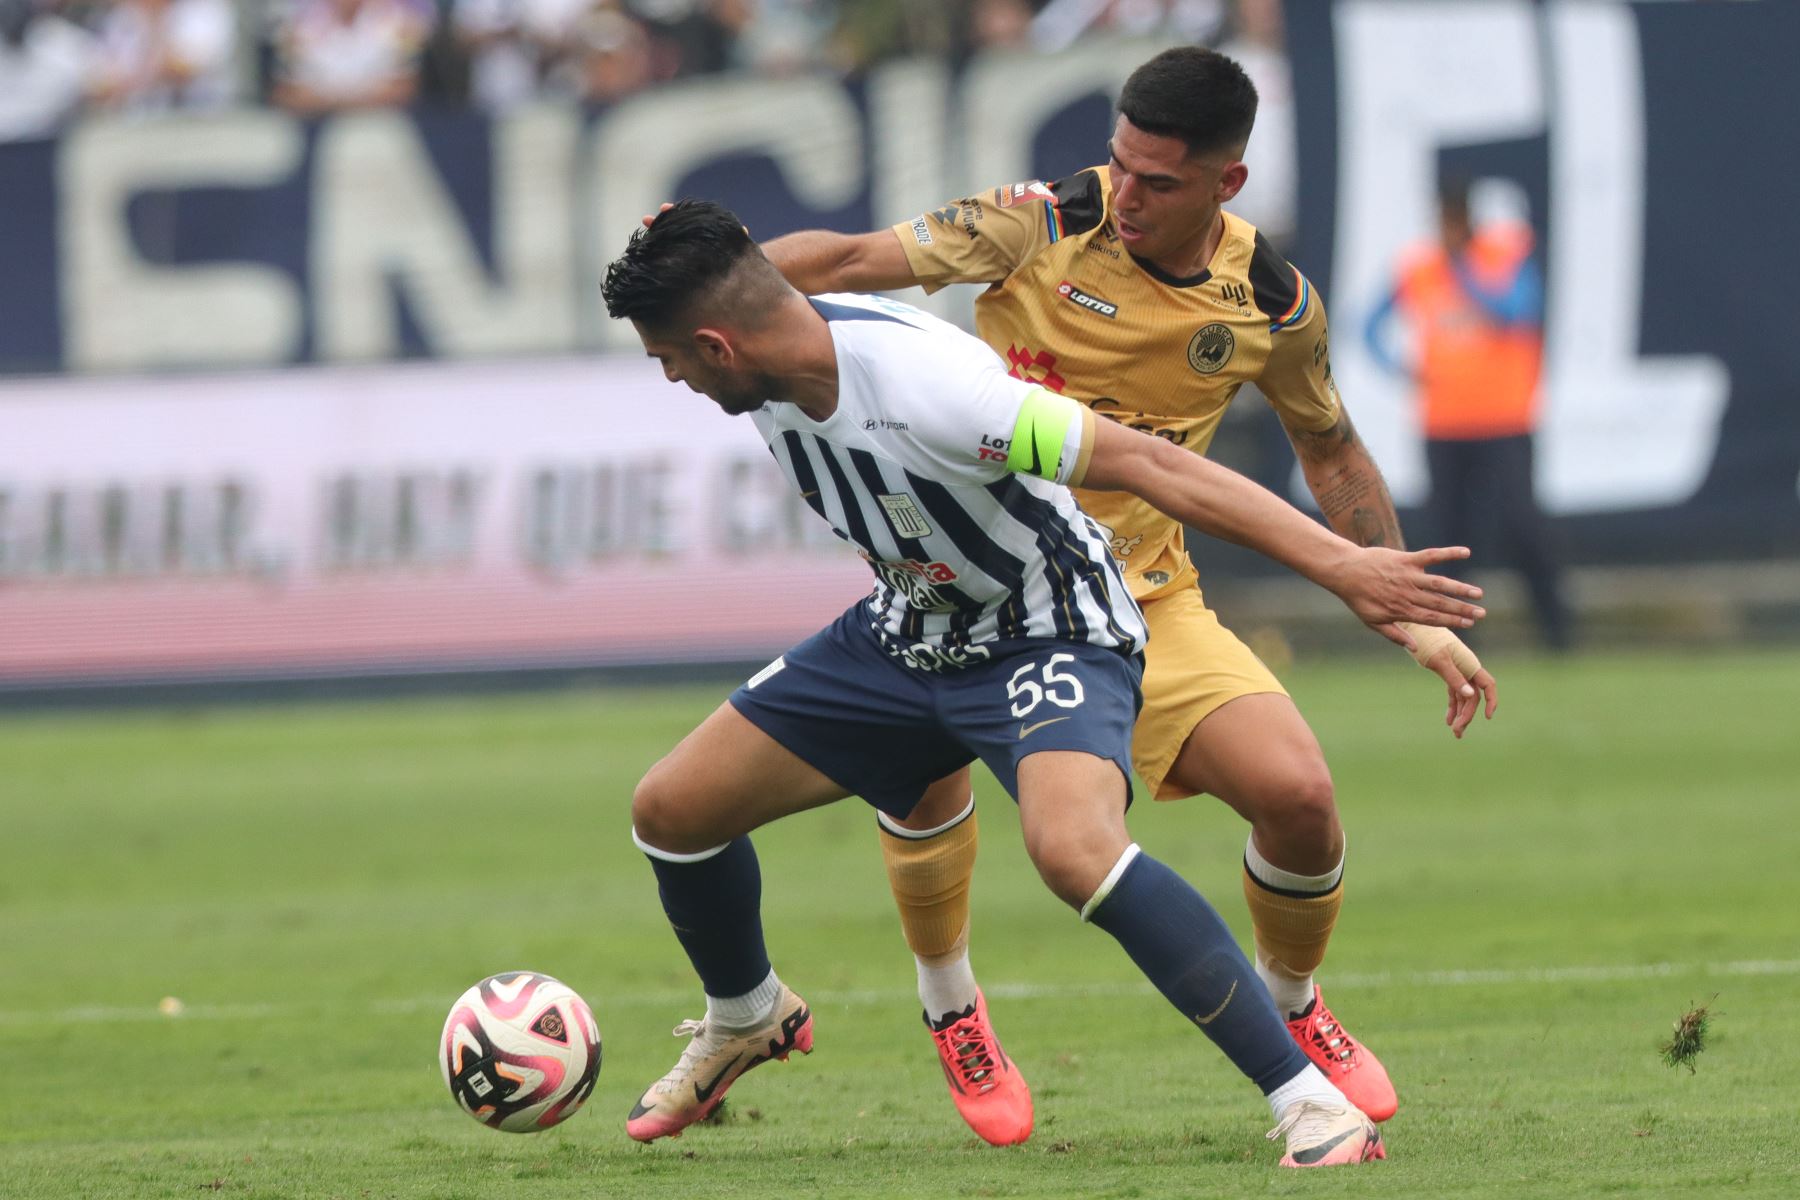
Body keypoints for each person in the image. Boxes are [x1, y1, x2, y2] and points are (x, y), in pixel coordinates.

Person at [603, 200, 1485, 1165]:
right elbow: (760, 267)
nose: (672, 376)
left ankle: (1310, 1101)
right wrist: (676, 240)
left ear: (718, 345)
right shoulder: (766, 334)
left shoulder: (940, 393)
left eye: (670, 358)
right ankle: (747, 1015)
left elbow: (1150, 464)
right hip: (908, 630)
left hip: (1044, 627)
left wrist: (1343, 567)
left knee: (1075, 851)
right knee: (672, 811)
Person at [1364, 176, 1572, 651]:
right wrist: (1402, 367)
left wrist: (1462, 270)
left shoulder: (1504, 258)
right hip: (1444, 424)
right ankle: (1453, 640)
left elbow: (1519, 309)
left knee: (1522, 523)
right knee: (1450, 534)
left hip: (1505, 420)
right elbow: (1369, 325)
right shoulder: (1419, 268)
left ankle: (1558, 632)